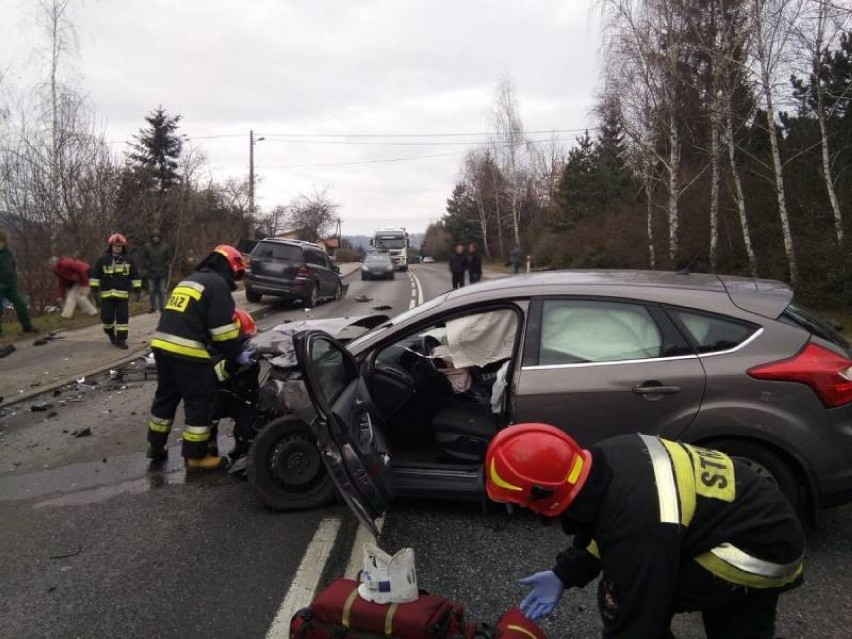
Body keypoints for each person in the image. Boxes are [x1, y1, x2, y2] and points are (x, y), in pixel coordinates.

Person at [485, 423, 805, 639]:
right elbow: (609, 529)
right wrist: (564, 572)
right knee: (737, 624)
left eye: (523, 503)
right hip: (758, 521)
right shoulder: (605, 458)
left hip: (754, 553)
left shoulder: (638, 527)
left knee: (623, 599)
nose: (524, 510)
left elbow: (635, 617)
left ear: (545, 497)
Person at [145, 244, 254, 471]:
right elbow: (222, 330)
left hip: (162, 344)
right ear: (230, 267)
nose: (235, 279)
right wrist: (237, 353)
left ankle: (155, 447)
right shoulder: (218, 285)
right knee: (201, 400)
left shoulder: (191, 280)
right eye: (236, 274)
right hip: (187, 349)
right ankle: (196, 457)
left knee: (166, 397)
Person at [209, 308, 261, 472]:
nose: (247, 342)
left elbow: (252, 384)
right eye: (244, 338)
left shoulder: (247, 353)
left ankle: (242, 449)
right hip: (214, 398)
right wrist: (235, 363)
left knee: (249, 424)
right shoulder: (212, 350)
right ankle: (208, 453)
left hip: (238, 395)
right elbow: (214, 374)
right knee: (206, 419)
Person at [90, 234, 142, 350]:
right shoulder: (103, 260)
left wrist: (137, 290)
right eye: (115, 246)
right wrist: (94, 290)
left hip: (122, 295)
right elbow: (95, 275)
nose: (118, 248)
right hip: (107, 295)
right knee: (106, 318)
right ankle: (110, 332)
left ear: (123, 247)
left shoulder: (129, 260)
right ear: (111, 246)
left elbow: (135, 276)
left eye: (120, 246)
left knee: (122, 319)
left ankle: (121, 340)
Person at [0, 230, 38, 336]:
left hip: (11, 284)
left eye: (2, 242)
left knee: (21, 303)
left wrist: (14, 279)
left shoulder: (8, 252)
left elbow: (13, 266)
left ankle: (27, 326)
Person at [142, 228, 172, 313]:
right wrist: (149, 266)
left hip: (161, 271)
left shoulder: (165, 247)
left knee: (161, 290)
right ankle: (152, 307)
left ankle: (162, 306)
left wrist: (164, 266)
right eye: (154, 237)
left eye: (157, 237)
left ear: (160, 237)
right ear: (151, 237)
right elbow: (144, 259)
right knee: (151, 290)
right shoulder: (147, 247)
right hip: (151, 272)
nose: (155, 238)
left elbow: (168, 259)